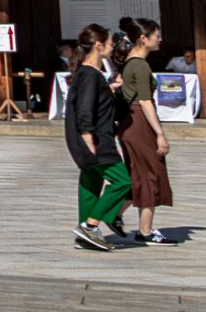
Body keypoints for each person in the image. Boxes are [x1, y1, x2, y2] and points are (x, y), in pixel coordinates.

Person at [66, 21, 130, 251]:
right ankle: (91, 226)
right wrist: (87, 136)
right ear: (99, 45)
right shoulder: (90, 74)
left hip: (90, 136)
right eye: (111, 43)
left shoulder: (88, 74)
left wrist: (111, 88)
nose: (113, 47)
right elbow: (84, 108)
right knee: (123, 181)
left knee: (91, 183)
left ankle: (85, 234)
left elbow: (92, 101)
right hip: (96, 138)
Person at [117, 16, 174, 244]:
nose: (159, 39)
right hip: (140, 122)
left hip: (131, 123)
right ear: (143, 38)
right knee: (150, 174)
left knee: (139, 176)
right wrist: (160, 134)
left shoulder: (130, 62)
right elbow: (145, 101)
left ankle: (115, 216)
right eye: (156, 35)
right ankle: (144, 230)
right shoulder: (140, 64)